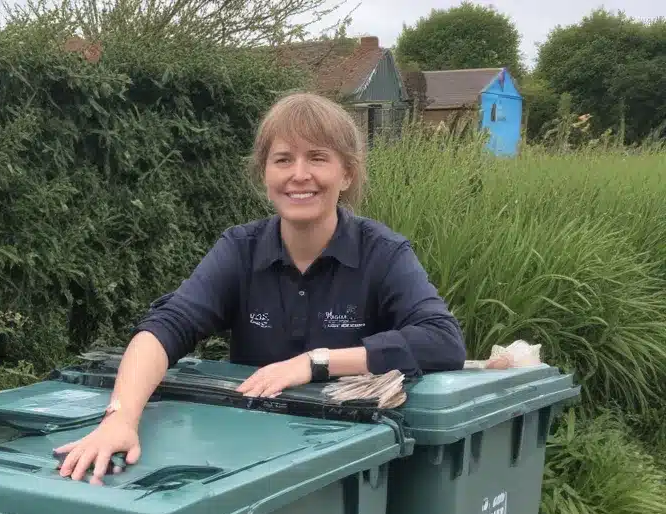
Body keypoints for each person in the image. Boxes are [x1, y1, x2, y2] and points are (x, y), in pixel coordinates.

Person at [55, 91, 466, 483]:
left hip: (354, 461)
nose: (299, 175)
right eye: (283, 159)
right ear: (265, 173)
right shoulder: (240, 249)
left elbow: (442, 340)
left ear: (347, 174)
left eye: (318, 158)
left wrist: (313, 363)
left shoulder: (383, 253)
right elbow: (167, 328)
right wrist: (120, 420)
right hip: (249, 458)